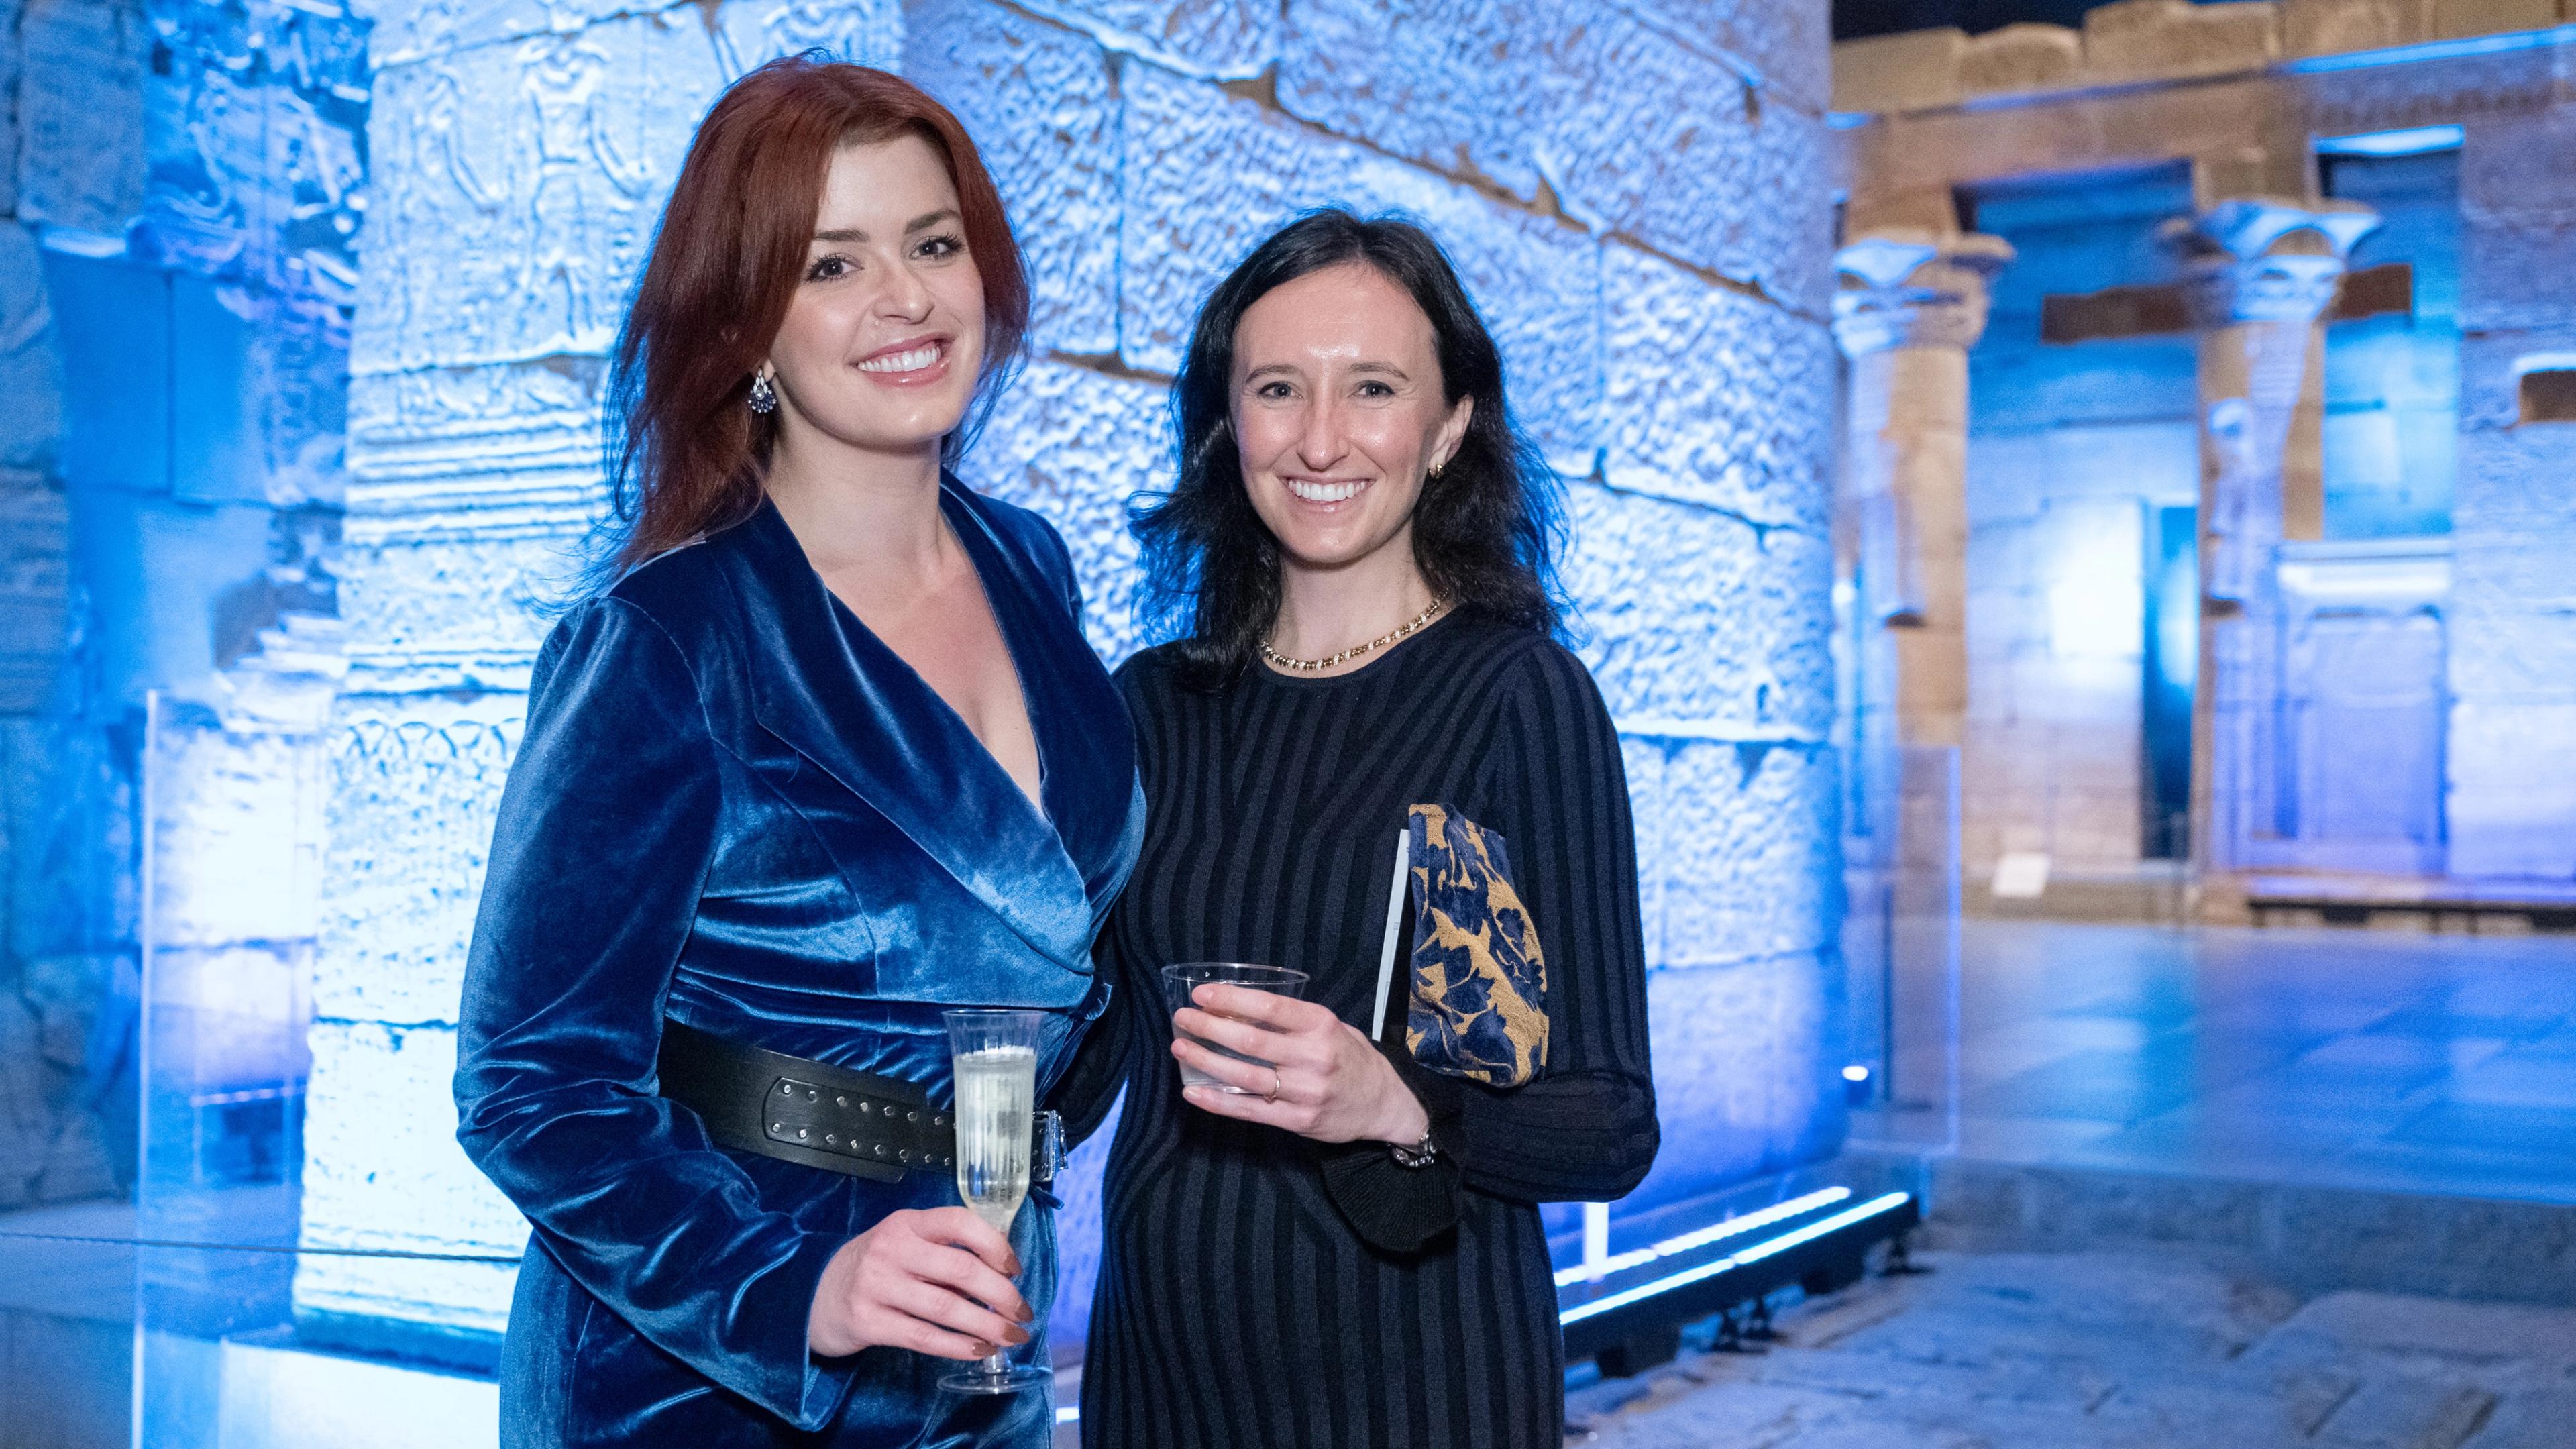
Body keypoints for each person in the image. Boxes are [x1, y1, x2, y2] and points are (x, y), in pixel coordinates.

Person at [452, 58, 1141, 1448]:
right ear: (747, 325)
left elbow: (1056, 953)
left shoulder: (1031, 565)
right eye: (833, 264)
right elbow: (530, 1081)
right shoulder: (666, 639)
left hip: (982, 1323)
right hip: (710, 1374)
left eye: (933, 244)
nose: (906, 299)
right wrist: (799, 1292)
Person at [1053, 209, 1660, 1448]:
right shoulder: (1149, 705)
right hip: (1160, 1376)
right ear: (1229, 426)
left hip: (1417, 1380)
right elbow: (1080, 1064)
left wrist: (1398, 1100)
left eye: (1373, 388)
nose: (1321, 439)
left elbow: (1609, 1124)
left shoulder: (1519, 696)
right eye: (1278, 389)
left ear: (1449, 427)